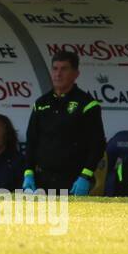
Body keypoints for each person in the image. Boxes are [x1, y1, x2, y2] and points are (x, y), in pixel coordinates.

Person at [22, 50, 106, 195]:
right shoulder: (41, 103)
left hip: (73, 180)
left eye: (64, 69)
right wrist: (28, 173)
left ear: (75, 74)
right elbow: (31, 141)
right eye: (55, 69)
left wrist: (85, 176)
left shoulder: (87, 104)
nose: (58, 74)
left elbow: (97, 145)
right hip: (42, 180)